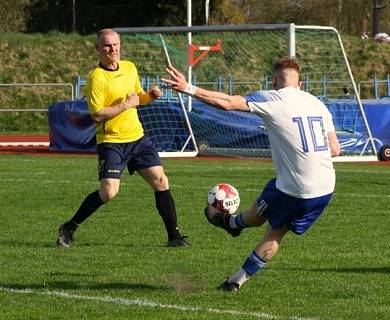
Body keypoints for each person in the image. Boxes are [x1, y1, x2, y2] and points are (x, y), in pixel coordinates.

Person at [162, 58, 341, 291]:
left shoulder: (271, 97)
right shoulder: (317, 103)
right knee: (276, 231)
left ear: (274, 81)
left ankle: (231, 223)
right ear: (301, 82)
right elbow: (335, 149)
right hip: (326, 187)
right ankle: (234, 281)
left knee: (261, 214)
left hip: (296, 185)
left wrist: (188, 88)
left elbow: (227, 102)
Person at [56, 29, 189, 248]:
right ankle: (69, 227)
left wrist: (151, 97)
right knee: (109, 192)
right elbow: (97, 114)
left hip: (137, 138)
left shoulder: (129, 68)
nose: (113, 49)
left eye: (116, 45)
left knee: (161, 181)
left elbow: (138, 99)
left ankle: (174, 237)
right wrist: (125, 105)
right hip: (111, 141)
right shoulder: (96, 78)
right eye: (107, 46)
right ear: (98, 48)